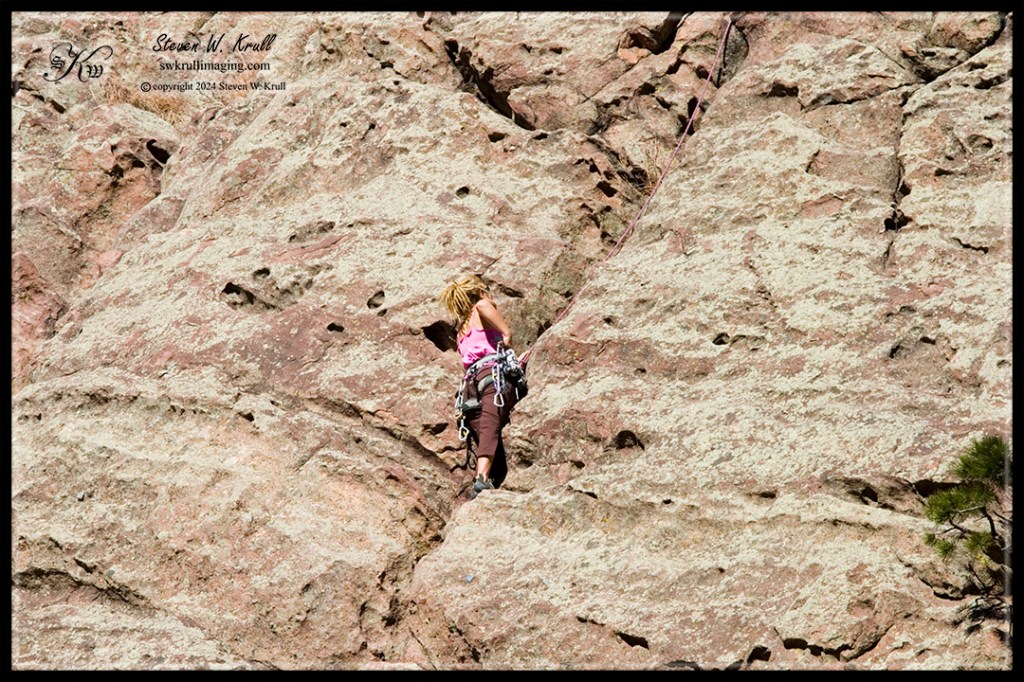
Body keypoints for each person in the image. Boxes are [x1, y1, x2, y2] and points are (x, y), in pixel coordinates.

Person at [439, 275, 514, 498]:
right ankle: (482, 479)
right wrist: (507, 336)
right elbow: (506, 335)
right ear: (481, 292)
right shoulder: (482, 305)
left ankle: (485, 477)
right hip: (492, 373)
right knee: (491, 422)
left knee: (483, 428)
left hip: (470, 385)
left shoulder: (461, 330)